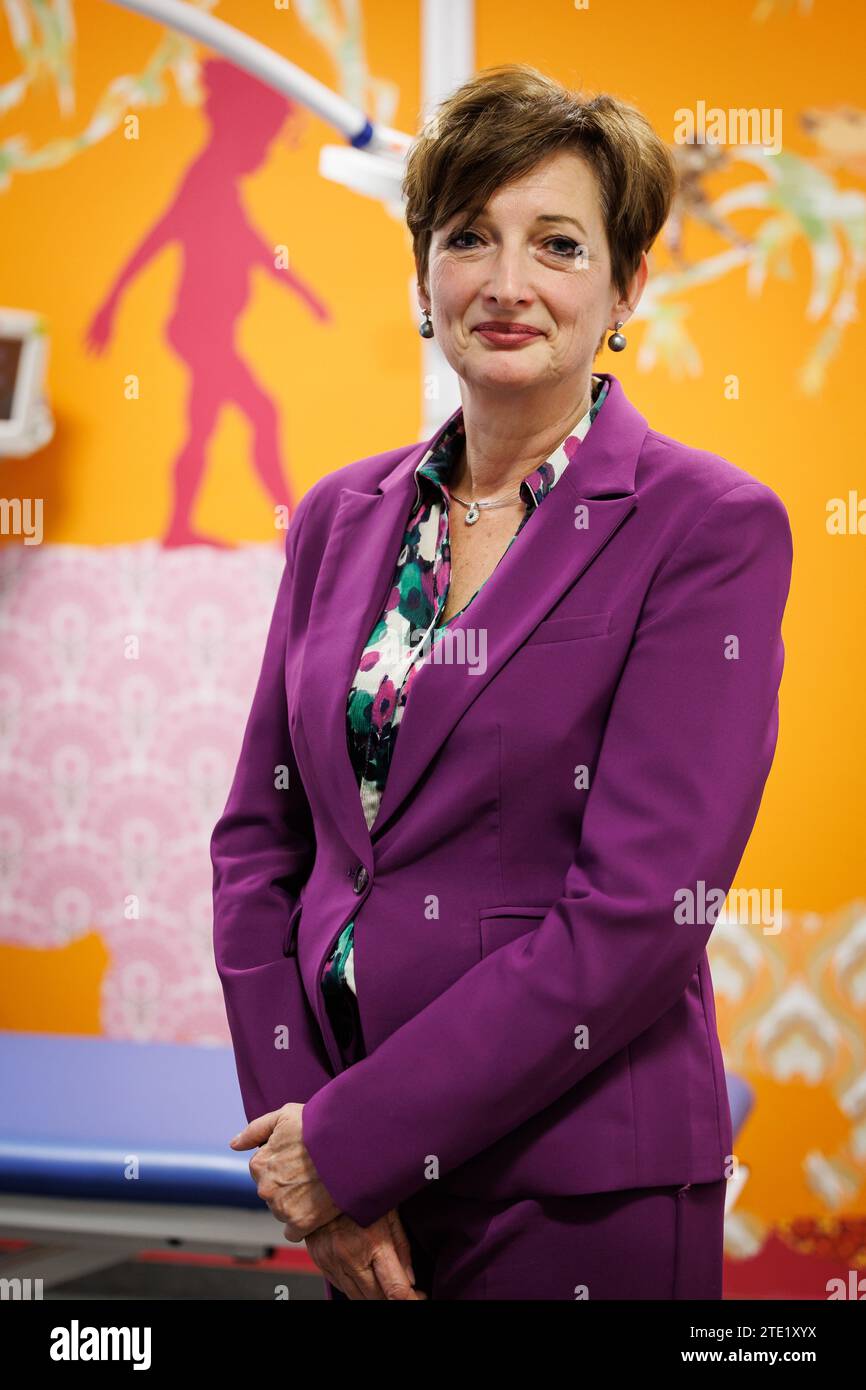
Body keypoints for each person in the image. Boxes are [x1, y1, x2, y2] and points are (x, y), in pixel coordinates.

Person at [211, 63, 793, 1300]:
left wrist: (353, 1143)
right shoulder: (336, 516)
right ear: (423, 273)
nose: (505, 282)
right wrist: (302, 1146)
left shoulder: (707, 528)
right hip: (350, 1183)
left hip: (575, 1186)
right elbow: (259, 846)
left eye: (558, 243)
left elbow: (638, 912)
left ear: (626, 283)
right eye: (466, 235)